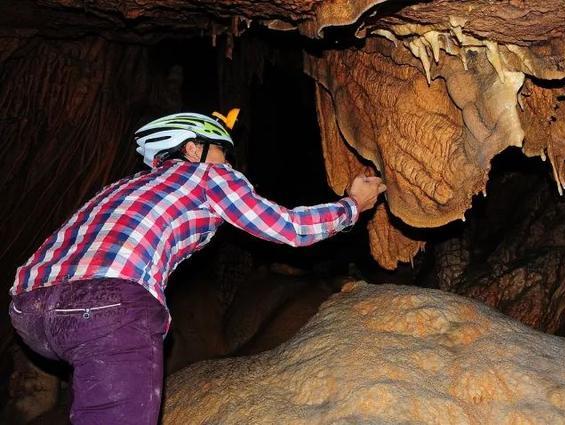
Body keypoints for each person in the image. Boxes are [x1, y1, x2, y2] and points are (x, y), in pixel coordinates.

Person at [8, 109, 386, 424]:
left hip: (30, 313)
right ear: (193, 148)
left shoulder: (120, 187)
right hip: (107, 305)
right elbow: (287, 228)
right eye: (223, 151)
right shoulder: (207, 175)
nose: (230, 163)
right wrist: (352, 205)